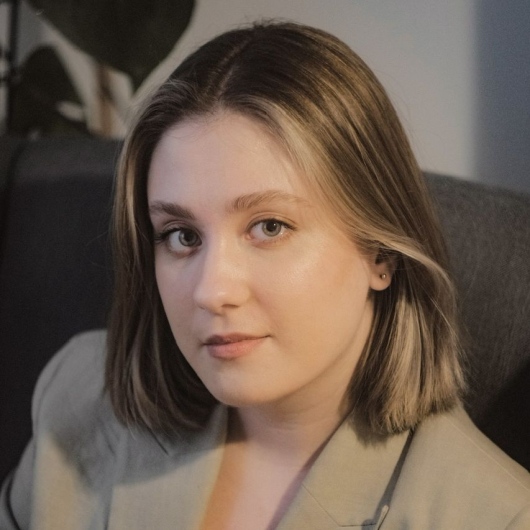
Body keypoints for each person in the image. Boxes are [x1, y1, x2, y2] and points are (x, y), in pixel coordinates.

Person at [1, 21, 529, 530]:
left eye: (269, 227)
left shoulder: (494, 517)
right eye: (182, 236)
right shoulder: (77, 394)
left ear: (380, 253)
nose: (212, 291)